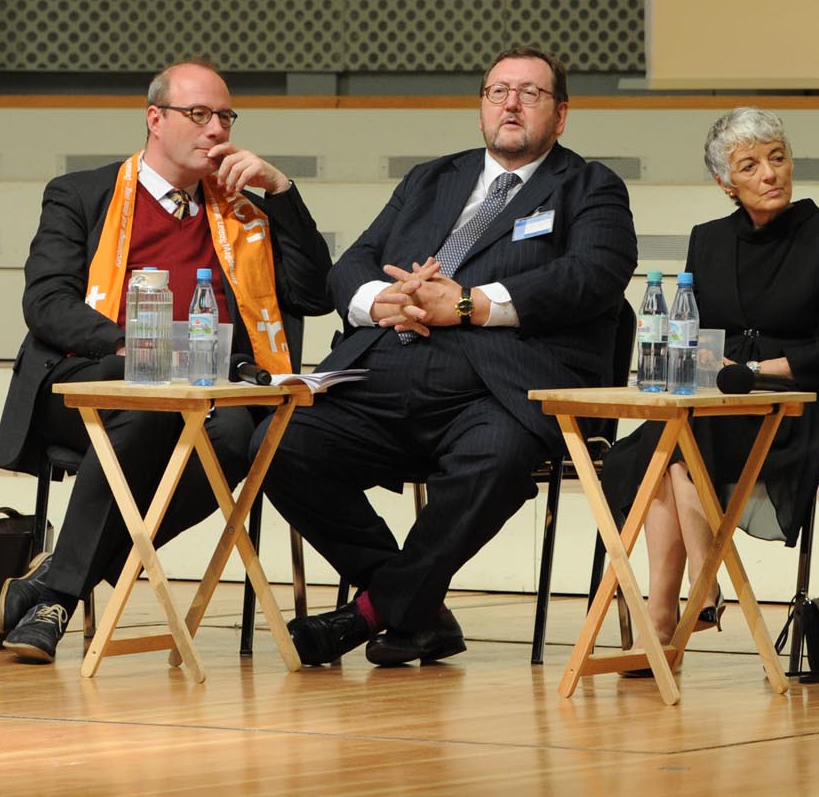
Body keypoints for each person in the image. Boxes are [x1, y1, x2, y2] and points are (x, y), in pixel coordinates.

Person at [262, 46, 637, 667]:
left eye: (530, 93)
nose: (511, 104)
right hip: (384, 369)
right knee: (279, 442)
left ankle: (373, 610)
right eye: (498, 92)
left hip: (499, 388)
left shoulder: (589, 185)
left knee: (496, 459)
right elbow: (353, 263)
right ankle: (417, 607)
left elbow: (592, 276)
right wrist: (380, 299)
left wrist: (467, 304)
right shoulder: (432, 178)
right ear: (482, 107)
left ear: (561, 115)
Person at [0, 58, 333, 663]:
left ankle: (70, 577)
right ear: (155, 119)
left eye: (225, 116)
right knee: (146, 406)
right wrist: (131, 347)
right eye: (198, 115)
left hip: (206, 391)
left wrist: (280, 192)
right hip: (88, 379)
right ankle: (66, 591)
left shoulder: (243, 212)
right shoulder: (81, 194)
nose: (216, 130)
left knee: (235, 433)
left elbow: (312, 295)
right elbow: (45, 302)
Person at [602, 108, 819, 668]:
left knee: (674, 448)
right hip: (715, 400)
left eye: (777, 158)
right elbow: (688, 330)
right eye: (751, 165)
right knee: (667, 446)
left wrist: (762, 369)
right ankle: (688, 596)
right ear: (726, 183)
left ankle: (674, 609)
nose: (770, 173)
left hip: (794, 406)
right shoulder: (709, 241)